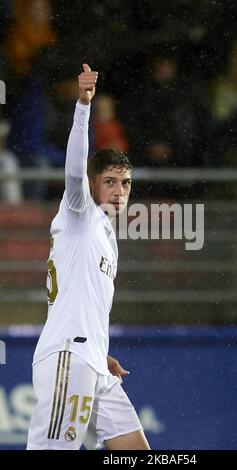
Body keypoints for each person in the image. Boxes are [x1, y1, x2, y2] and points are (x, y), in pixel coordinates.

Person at [26, 64, 150, 450]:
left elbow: (84, 299)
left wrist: (100, 350)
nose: (119, 191)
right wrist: (83, 106)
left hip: (93, 361)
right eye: (109, 181)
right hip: (69, 357)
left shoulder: (104, 233)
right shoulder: (79, 212)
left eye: (125, 183)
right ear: (93, 184)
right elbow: (74, 169)